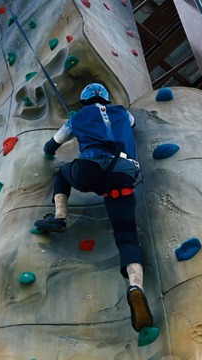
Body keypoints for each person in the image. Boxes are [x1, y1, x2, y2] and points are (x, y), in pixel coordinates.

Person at [33, 82, 151, 332]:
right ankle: (136, 287)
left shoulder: (77, 117)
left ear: (84, 99)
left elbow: (50, 146)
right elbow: (132, 125)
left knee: (62, 175)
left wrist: (70, 130)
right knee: (127, 238)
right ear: (106, 98)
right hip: (124, 173)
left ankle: (59, 216)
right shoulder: (121, 112)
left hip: (91, 168)